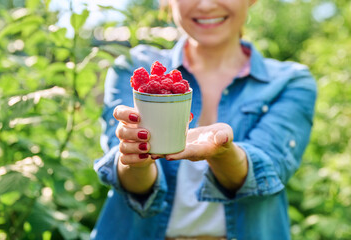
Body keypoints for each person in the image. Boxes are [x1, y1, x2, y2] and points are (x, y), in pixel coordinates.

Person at [91, 0, 317, 239]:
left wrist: (223, 153)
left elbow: (269, 168)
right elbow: (128, 177)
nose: (207, 5)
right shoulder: (134, 68)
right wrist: (137, 156)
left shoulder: (290, 82)